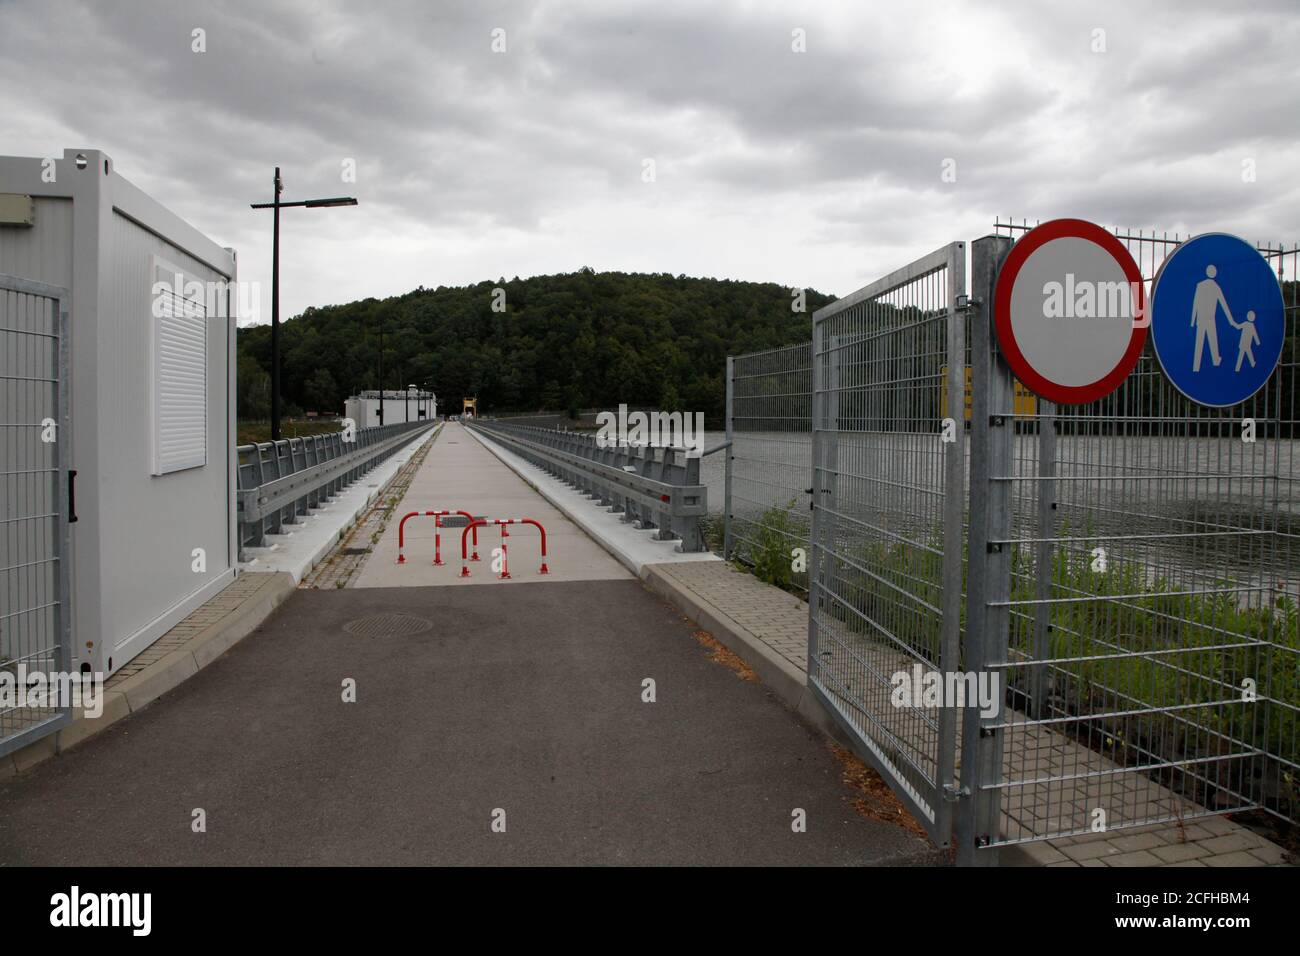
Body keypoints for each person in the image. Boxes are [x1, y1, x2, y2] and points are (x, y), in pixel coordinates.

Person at [1190, 264, 1233, 372]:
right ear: (1214, 273)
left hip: (1201, 319)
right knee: (1213, 340)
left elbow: (1195, 303)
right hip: (1210, 319)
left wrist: (1193, 320)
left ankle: (1196, 366)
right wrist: (1231, 320)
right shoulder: (1216, 287)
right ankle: (1215, 360)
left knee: (1199, 342)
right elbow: (1224, 306)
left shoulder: (1200, 285)